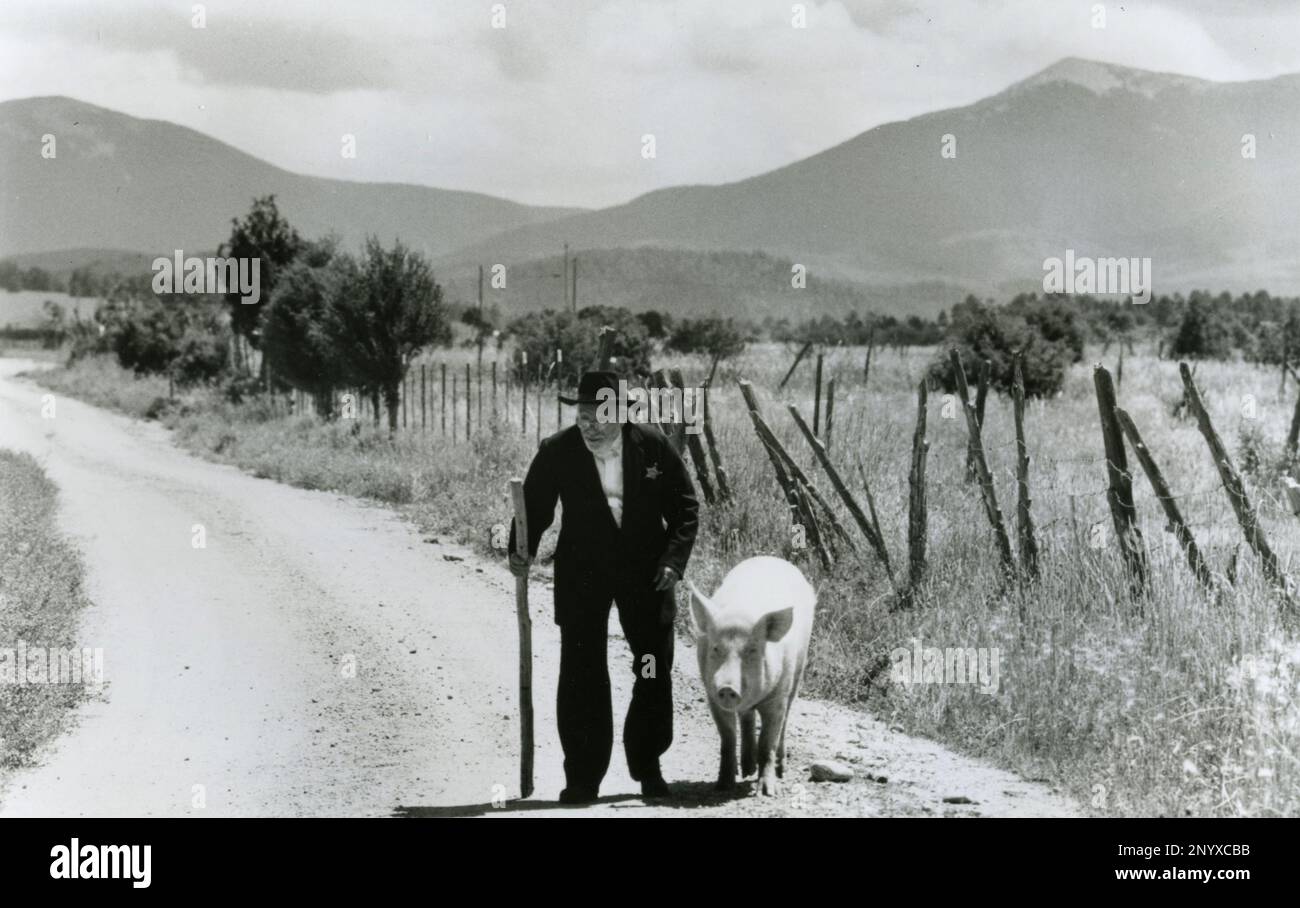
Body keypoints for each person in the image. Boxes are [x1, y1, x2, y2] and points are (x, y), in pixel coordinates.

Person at [508, 370, 699, 804]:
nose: (589, 426)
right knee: (583, 670)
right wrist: (520, 548)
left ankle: (648, 766)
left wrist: (673, 561)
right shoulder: (558, 450)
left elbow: (685, 507)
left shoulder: (652, 446)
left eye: (599, 417)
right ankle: (582, 777)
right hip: (584, 573)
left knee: (651, 665)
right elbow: (533, 509)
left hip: (646, 572)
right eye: (582, 416)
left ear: (621, 414)